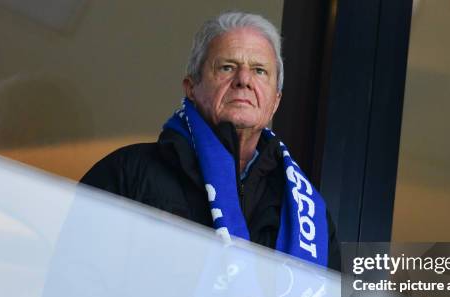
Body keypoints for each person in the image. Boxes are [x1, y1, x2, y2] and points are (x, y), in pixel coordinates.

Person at [80, 11, 341, 271]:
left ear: (275, 102)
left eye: (260, 71)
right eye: (227, 67)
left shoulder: (308, 213)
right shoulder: (126, 173)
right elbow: (73, 287)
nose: (244, 80)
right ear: (191, 88)